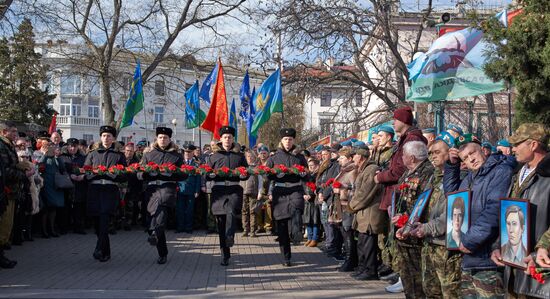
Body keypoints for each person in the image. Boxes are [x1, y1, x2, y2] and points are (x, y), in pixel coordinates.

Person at [444, 133, 516, 298]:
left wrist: (469, 240)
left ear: (483, 150)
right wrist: (452, 165)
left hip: (488, 258)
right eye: (465, 158)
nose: (470, 159)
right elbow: (452, 197)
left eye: (473, 153)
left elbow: (494, 210)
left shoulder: (500, 171)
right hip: (471, 258)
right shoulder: (471, 177)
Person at [491, 123, 550, 298]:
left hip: (538, 273)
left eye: (517, 144)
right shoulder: (518, 175)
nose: (513, 148)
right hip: (514, 271)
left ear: (533, 145)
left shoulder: (547, 177)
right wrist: (498, 246)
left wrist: (543, 248)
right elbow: (507, 214)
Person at [410, 132, 462, 298]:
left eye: (437, 152)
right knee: (431, 291)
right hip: (429, 242)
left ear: (451, 152)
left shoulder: (459, 178)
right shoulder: (433, 177)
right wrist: (408, 225)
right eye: (430, 153)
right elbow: (422, 207)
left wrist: (427, 228)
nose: (432, 156)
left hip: (445, 246)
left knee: (449, 293)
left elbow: (453, 214)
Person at [392, 141, 434, 298]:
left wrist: (407, 220)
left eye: (403, 154)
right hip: (403, 230)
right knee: (407, 275)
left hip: (416, 233)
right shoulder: (407, 173)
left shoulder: (428, 173)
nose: (401, 157)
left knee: (417, 278)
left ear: (412, 157)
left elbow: (425, 204)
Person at [139, 127, 185, 264]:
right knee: (151, 219)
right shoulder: (149, 154)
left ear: (170, 139)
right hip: (152, 188)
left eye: (165, 137)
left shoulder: (177, 156)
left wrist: (173, 173)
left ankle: (154, 233)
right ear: (156, 139)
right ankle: (161, 249)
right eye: (160, 137)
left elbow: (184, 174)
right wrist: (146, 173)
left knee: (161, 209)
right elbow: (139, 173)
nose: (163, 140)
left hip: (168, 188)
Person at [265, 128, 308, 267]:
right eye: (285, 139)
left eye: (290, 139)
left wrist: (303, 174)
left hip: (295, 189)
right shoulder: (273, 158)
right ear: (281, 141)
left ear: (294, 141)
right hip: (280, 191)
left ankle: (296, 232)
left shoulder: (300, 157)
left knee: (297, 210)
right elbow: (267, 175)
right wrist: (275, 175)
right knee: (282, 225)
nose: (288, 142)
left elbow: (307, 174)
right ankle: (286, 256)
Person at [207, 126, 248, 266]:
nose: (227, 139)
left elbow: (246, 172)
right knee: (221, 223)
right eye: (225, 137)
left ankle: (230, 235)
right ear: (221, 139)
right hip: (218, 190)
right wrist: (209, 175)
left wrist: (244, 174)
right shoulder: (213, 156)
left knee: (231, 211)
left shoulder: (240, 156)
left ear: (233, 139)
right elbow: (206, 173)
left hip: (234, 189)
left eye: (230, 137)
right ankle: (225, 254)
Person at [85, 126, 127, 262]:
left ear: (113, 138)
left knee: (104, 220)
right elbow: (86, 171)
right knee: (97, 224)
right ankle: (106, 251)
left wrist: (114, 175)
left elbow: (124, 176)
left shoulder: (119, 155)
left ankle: (98, 249)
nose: (106, 138)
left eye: (109, 136)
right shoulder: (92, 154)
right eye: (104, 135)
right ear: (100, 137)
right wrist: (91, 174)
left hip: (110, 190)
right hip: (95, 190)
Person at [348, 145, 386, 281]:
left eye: (355, 155)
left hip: (370, 213)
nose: (353, 158)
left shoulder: (371, 169)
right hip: (363, 213)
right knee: (362, 243)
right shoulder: (364, 169)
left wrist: (351, 205)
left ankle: (370, 271)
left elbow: (365, 193)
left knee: (368, 244)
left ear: (362, 156)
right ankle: (363, 268)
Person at [330, 148, 358, 272]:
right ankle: (348, 259)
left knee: (348, 233)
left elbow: (356, 190)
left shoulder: (353, 171)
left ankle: (350, 261)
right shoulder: (343, 170)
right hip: (340, 206)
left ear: (350, 158)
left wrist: (342, 190)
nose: (339, 160)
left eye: (342, 158)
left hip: (347, 206)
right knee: (343, 232)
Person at [316, 145, 341, 258]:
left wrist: (324, 194)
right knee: (324, 221)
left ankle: (332, 245)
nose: (324, 156)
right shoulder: (323, 166)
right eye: (322, 154)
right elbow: (321, 181)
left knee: (331, 223)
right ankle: (329, 243)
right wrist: (320, 191)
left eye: (326, 154)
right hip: (322, 196)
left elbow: (332, 182)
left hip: (330, 197)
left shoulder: (334, 166)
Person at [38, 143, 65, 238]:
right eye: (51, 148)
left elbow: (62, 169)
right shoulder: (44, 157)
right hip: (46, 185)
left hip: (56, 185)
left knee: (54, 208)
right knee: (45, 209)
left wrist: (57, 157)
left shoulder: (57, 158)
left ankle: (52, 229)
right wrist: (45, 155)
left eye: (55, 148)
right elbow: (40, 167)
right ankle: (44, 231)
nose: (53, 150)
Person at [176, 144, 200, 234]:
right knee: (180, 209)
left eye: (189, 152)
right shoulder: (180, 163)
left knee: (190, 210)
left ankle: (189, 228)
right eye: (185, 152)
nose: (187, 154)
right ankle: (180, 227)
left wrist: (197, 190)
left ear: (193, 153)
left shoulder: (196, 164)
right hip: (180, 189)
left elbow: (198, 178)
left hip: (191, 190)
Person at [241, 149, 259, 237]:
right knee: (244, 211)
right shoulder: (242, 167)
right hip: (243, 191)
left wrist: (259, 192)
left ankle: (253, 230)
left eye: (251, 156)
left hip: (253, 191)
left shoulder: (257, 167)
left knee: (253, 211)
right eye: (248, 156)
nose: (250, 158)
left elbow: (260, 181)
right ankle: (245, 229)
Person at [303, 158, 321, 247]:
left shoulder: (318, 176)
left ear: (317, 166)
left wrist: (311, 195)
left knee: (315, 221)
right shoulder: (307, 175)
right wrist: (304, 194)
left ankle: (314, 238)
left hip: (314, 201)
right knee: (307, 220)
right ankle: (309, 238)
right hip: (306, 201)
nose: (310, 167)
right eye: (309, 166)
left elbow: (317, 187)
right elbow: (303, 186)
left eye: (312, 166)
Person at [255, 145, 273, 235]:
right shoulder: (256, 164)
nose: (263, 155)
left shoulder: (271, 163)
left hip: (269, 188)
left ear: (268, 154)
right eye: (261, 153)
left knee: (268, 207)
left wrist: (270, 192)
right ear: (258, 155)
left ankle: (268, 226)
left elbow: (272, 179)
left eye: (264, 153)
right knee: (257, 206)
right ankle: (259, 226)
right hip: (259, 189)